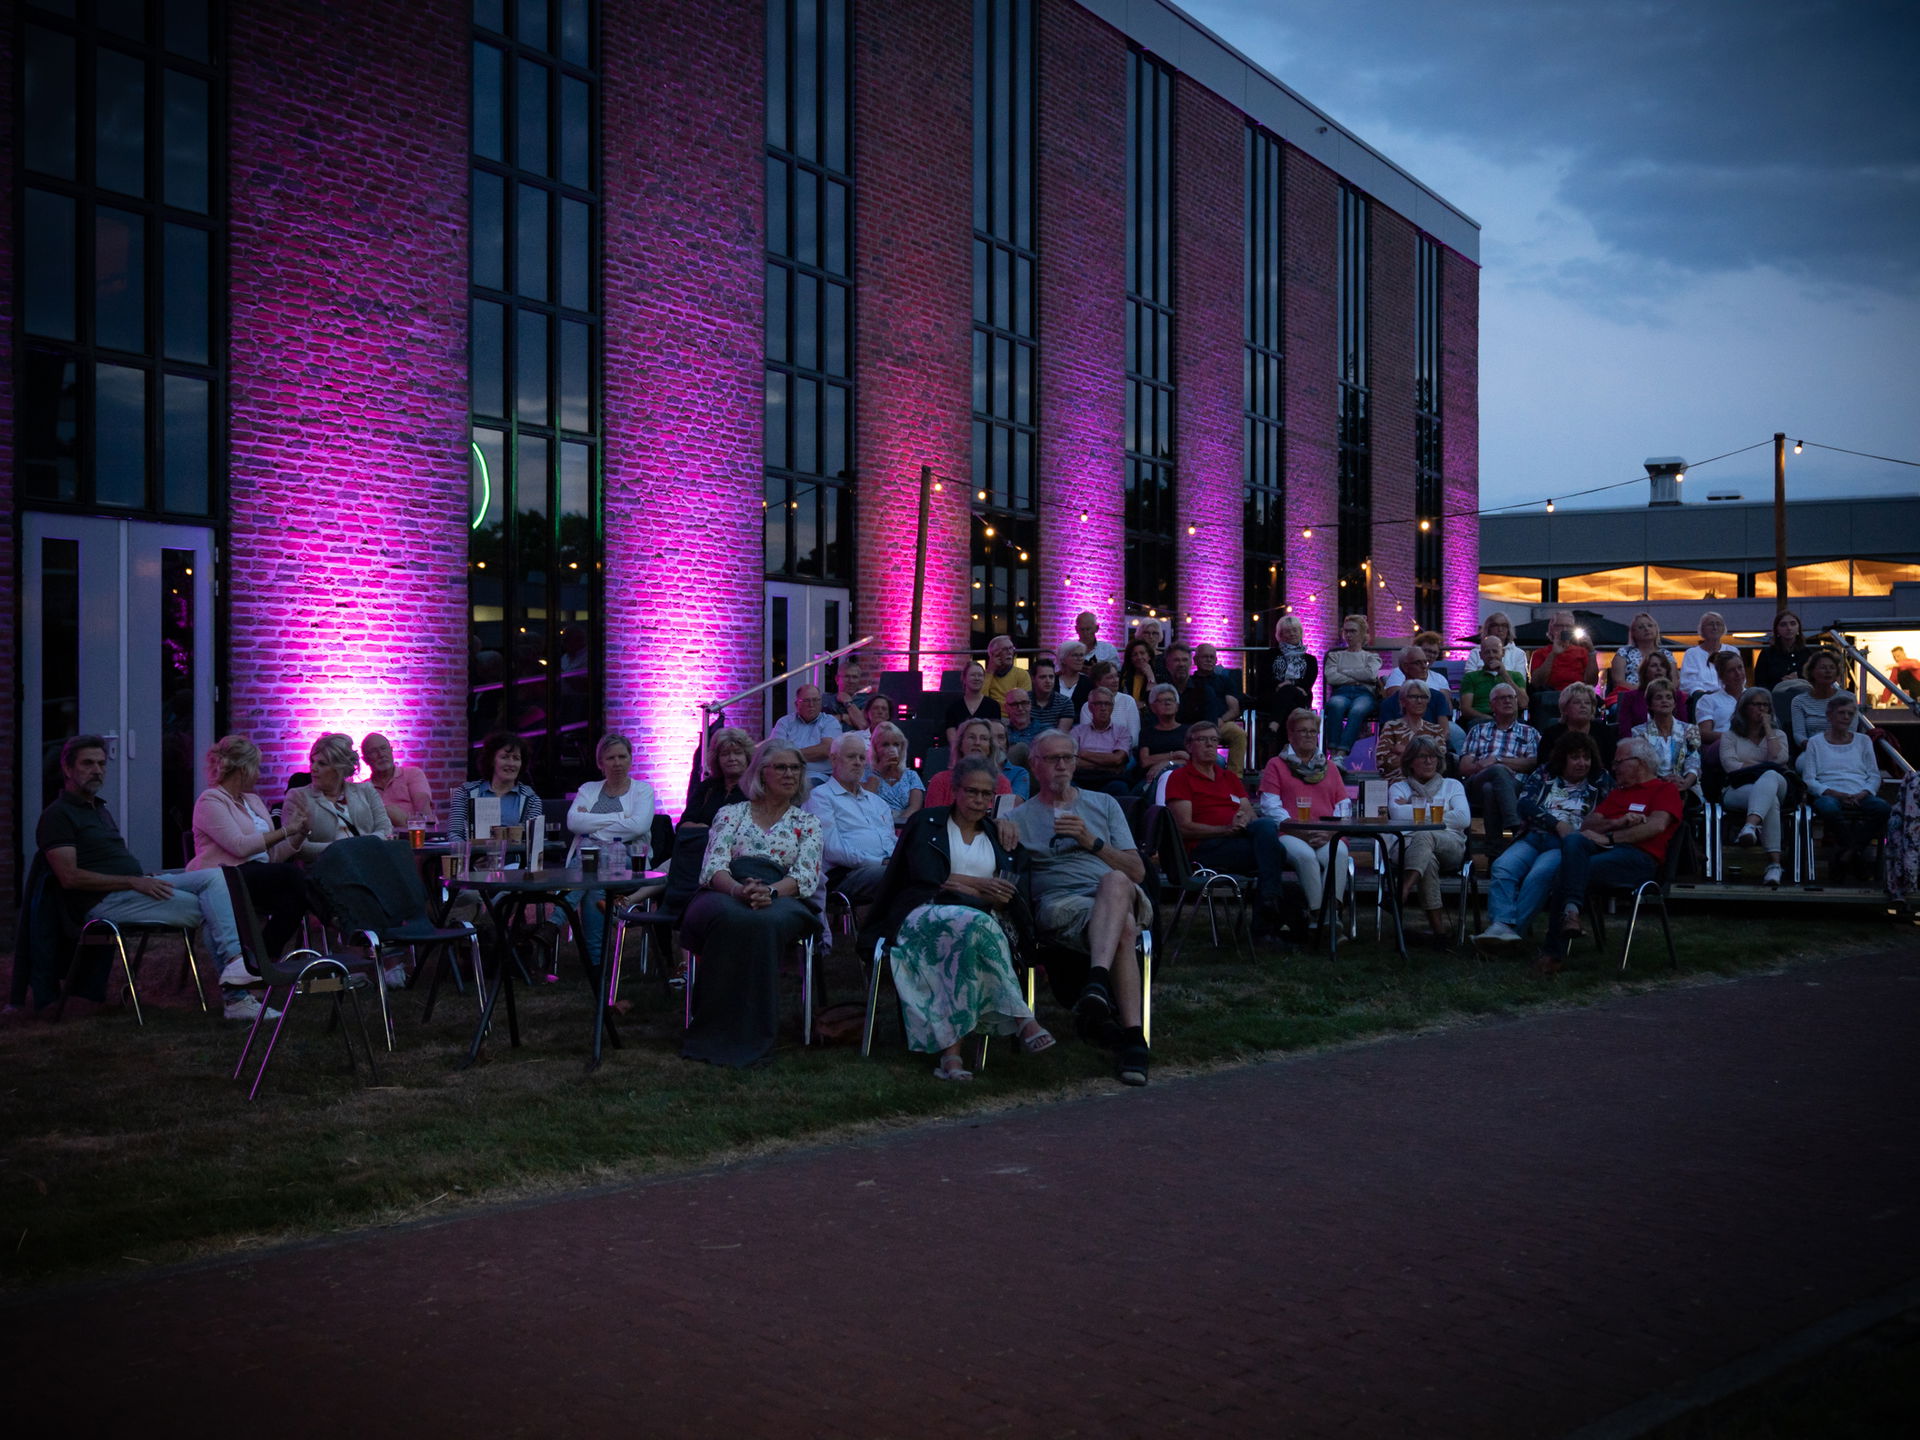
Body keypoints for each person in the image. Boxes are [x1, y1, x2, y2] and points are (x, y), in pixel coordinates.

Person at [38, 735, 271, 1022]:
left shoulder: (98, 810)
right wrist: (132, 882)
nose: (97, 770)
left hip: (134, 886)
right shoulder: (58, 815)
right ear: (67, 768)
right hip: (104, 901)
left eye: (101, 763)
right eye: (88, 763)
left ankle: (237, 972)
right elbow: (70, 878)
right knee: (214, 902)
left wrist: (140, 879)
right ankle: (237, 994)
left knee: (217, 878)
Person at [865, 755, 1051, 1080]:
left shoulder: (1000, 836)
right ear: (955, 790)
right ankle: (1022, 1016)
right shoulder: (927, 823)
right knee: (975, 924)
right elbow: (929, 880)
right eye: (971, 792)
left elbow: (1011, 889)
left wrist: (960, 883)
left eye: (985, 794)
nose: (978, 801)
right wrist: (980, 886)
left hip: (977, 925)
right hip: (921, 916)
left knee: (968, 937)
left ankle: (951, 1058)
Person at [1013, 730, 1154, 1086]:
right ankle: (1134, 1040)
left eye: (1068, 758)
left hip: (1114, 891)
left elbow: (1137, 871)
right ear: (1034, 765)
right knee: (1122, 924)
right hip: (1059, 904)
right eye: (1053, 759)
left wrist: (1091, 842)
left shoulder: (1104, 804)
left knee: (1117, 883)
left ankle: (1096, 982)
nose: (1062, 765)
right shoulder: (1019, 817)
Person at [680, 739, 824, 1066]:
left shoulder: (807, 823)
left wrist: (769, 892)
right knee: (730, 917)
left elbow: (805, 877)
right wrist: (737, 891)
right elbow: (713, 865)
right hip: (725, 887)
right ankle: (714, 1029)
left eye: (796, 768)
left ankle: (754, 1033)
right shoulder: (731, 813)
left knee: (763, 921)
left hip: (783, 892)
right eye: (782, 767)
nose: (790, 775)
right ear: (761, 773)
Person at [1533, 738, 1683, 975]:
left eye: (1619, 762)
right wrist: (1618, 822)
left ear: (1639, 763)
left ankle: (1554, 950)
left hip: (1639, 860)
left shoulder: (1665, 790)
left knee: (1568, 870)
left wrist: (1611, 837)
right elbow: (1587, 825)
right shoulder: (1617, 793)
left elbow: (1655, 827)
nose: (1614, 768)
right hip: (1604, 853)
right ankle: (1570, 915)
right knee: (1573, 840)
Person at [1474, 731, 1610, 953]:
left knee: (1539, 875)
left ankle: (1512, 931)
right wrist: (1556, 824)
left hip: (1564, 845)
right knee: (1503, 866)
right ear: (1563, 758)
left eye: (1586, 757)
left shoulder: (1600, 779)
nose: (1582, 763)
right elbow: (1525, 804)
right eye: (1575, 757)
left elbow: (1606, 811)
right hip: (1534, 837)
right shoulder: (1545, 773)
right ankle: (1501, 923)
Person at [187, 734, 312, 962]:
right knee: (296, 877)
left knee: (296, 898)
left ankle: (262, 959)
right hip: (226, 876)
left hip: (258, 874)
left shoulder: (253, 801)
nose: (259, 774)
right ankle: (334, 917)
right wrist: (286, 830)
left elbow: (272, 855)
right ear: (243, 769)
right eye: (257, 768)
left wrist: (299, 834)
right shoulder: (210, 801)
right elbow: (240, 847)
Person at [1167, 719, 1292, 937]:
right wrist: (1225, 830)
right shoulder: (1180, 778)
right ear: (1189, 746)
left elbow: (1249, 811)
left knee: (1264, 826)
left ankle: (1269, 906)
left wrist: (1244, 820)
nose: (1209, 745)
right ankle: (1267, 913)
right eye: (1202, 740)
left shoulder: (1229, 777)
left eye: (1214, 740)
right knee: (1277, 852)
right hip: (1203, 848)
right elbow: (1183, 828)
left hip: (1236, 840)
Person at [565, 732, 657, 969]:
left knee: (592, 867)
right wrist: (620, 818)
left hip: (631, 861)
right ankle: (597, 963)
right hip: (593, 863)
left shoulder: (642, 790)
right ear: (600, 763)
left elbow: (639, 826)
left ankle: (554, 921)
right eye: (610, 758)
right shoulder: (588, 788)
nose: (617, 763)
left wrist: (594, 829)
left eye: (622, 756)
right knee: (595, 885)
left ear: (630, 759)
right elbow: (574, 823)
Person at [1255, 708, 1353, 930]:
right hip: (1289, 832)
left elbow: (1343, 805)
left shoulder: (1329, 767)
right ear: (1290, 735)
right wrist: (1301, 830)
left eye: (1313, 731)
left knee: (1338, 853)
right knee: (1305, 856)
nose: (1309, 735)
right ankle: (1319, 917)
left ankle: (1330, 917)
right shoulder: (1276, 765)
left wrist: (1329, 831)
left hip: (1326, 832)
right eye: (1302, 731)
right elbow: (1270, 806)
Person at [1384, 736, 1470, 947]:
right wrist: (1442, 810)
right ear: (1410, 761)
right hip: (1408, 847)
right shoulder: (1399, 788)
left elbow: (1463, 818)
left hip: (1450, 844)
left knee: (1424, 833)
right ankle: (1440, 934)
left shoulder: (1452, 785)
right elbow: (1397, 814)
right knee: (1427, 857)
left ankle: (1402, 889)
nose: (1429, 761)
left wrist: (1414, 805)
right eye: (1422, 756)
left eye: (1433, 756)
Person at [1797, 695, 1890, 884]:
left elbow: (1873, 775)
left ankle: (1848, 852)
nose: (1846, 717)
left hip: (1859, 792)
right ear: (1829, 716)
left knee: (1883, 808)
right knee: (1829, 808)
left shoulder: (1863, 741)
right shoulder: (1815, 742)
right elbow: (1809, 779)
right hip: (1829, 791)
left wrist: (1863, 792)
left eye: (1850, 713)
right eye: (1841, 713)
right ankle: (1854, 854)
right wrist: (1835, 793)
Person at [805, 731, 899, 904]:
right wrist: (882, 863)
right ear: (833, 759)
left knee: (924, 873)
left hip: (883, 869)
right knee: (901, 876)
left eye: (862, 758)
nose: (858, 763)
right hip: (843, 875)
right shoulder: (820, 797)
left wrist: (897, 860)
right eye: (851, 757)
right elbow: (833, 851)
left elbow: (890, 841)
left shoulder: (878, 803)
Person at [1720, 687, 1793, 888]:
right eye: (1756, 704)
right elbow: (1730, 766)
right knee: (1771, 800)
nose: (1761, 709)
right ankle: (1774, 866)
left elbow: (1779, 759)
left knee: (1770, 776)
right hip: (1738, 788)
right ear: (1744, 708)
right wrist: (1764, 765)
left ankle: (1750, 826)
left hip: (1777, 784)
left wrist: (1769, 729)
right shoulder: (1730, 736)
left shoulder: (1779, 734)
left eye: (1765, 705)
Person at [285, 733, 395, 857]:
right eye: (313, 761)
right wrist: (344, 849)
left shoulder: (366, 790)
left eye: (322, 763)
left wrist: (364, 845)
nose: (313, 768)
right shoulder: (298, 797)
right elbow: (297, 846)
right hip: (327, 867)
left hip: (368, 861)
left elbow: (385, 829)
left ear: (339, 768)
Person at [1458, 684, 1540, 836]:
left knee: (1490, 788)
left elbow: (1532, 764)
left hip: (1517, 784)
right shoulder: (1478, 730)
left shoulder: (1530, 732)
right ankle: (1515, 824)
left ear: (1517, 702)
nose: (1508, 701)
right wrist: (1487, 767)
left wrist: (1497, 760)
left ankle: (1493, 851)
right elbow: (1464, 767)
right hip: (1477, 782)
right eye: (1502, 698)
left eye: (1511, 697)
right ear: (1492, 705)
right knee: (1496, 772)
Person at [447, 730, 542, 841]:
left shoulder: (531, 799)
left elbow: (533, 841)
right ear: (492, 761)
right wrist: (470, 856)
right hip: (471, 856)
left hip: (513, 857)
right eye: (505, 757)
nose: (511, 764)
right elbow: (454, 834)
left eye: (516, 758)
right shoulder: (465, 792)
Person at [1257, 614, 1318, 766]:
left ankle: (1273, 730)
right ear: (1280, 635)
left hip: (1300, 697)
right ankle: (1292, 756)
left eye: (1295, 631)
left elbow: (1307, 684)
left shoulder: (1310, 659)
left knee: (1289, 692)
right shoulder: (1270, 655)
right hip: (1272, 696)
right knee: (1288, 700)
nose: (1292, 634)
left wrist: (1286, 685)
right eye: (1287, 631)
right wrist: (1281, 686)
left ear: (1300, 633)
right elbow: (1264, 679)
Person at [1381, 643, 1463, 755]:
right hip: (1403, 757)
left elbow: (1445, 732)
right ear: (1405, 667)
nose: (1424, 666)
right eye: (1418, 663)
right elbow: (1388, 740)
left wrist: (1423, 751)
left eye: (1425, 662)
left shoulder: (1437, 697)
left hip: (1432, 754)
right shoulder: (1389, 703)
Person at [1181, 642, 1251, 773]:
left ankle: (1234, 778)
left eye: (1211, 657)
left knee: (1239, 734)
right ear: (1195, 660)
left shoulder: (1224, 681)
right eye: (1204, 657)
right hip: (1193, 724)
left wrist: (1220, 720)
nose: (1208, 660)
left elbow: (1234, 709)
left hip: (1220, 723)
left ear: (1216, 660)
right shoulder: (1188, 681)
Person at [1322, 613, 1382, 762]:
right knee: (1335, 705)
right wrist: (1357, 677)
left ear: (1362, 633)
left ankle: (1341, 753)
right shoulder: (1335, 655)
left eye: (1353, 631)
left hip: (1365, 693)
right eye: (1346, 631)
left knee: (1358, 710)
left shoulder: (1371, 657)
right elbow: (1331, 677)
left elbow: (1370, 675)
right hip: (1341, 692)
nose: (1348, 635)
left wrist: (1344, 672)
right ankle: (1334, 750)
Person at [1788, 650, 1870, 750]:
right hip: (1812, 749)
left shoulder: (1849, 698)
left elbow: (1851, 731)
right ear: (1812, 672)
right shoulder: (1799, 701)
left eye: (1832, 668)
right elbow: (1799, 735)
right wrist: (1816, 748)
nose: (1828, 671)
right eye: (1823, 667)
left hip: (1844, 748)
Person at [1632, 679, 1703, 795]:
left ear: (1674, 703)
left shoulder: (1690, 729)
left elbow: (1694, 761)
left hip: (1685, 789)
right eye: (1659, 697)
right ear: (1650, 704)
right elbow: (1642, 766)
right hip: (1652, 789)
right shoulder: (1638, 732)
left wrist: (1686, 782)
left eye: (1669, 697)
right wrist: (1664, 782)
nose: (1664, 701)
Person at [925, 718, 1015, 809]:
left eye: (983, 738)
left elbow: (1003, 820)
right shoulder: (940, 781)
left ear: (990, 747)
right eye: (971, 737)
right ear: (960, 745)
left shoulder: (1002, 783)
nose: (977, 743)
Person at [1528, 610, 1599, 722]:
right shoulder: (1540, 653)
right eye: (1559, 626)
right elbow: (1536, 683)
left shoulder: (1582, 652)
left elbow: (1592, 682)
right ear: (1551, 629)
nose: (1564, 630)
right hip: (1550, 698)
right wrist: (1553, 654)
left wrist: (1591, 652)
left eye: (1568, 626)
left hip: (1578, 695)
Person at [1374, 680, 1449, 782]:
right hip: (1398, 782)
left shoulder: (1435, 730)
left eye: (1424, 697)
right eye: (1413, 697)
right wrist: (1423, 756)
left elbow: (1439, 762)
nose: (1419, 701)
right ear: (1403, 701)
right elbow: (1383, 762)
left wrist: (1404, 752)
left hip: (1429, 782)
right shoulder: (1392, 727)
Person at [361, 731, 437, 830]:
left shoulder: (413, 774)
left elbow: (424, 812)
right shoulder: (363, 789)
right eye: (373, 751)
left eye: (384, 748)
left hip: (414, 838)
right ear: (365, 760)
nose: (381, 754)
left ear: (391, 751)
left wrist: (400, 819)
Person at [772, 684, 843, 787]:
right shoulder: (784, 723)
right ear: (796, 704)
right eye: (806, 701)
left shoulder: (830, 722)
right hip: (785, 774)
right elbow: (776, 752)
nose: (811, 705)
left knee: (805, 788)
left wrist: (789, 754)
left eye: (816, 700)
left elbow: (825, 750)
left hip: (818, 776)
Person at [1538, 680, 1617, 772]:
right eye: (1577, 702)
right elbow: (1544, 765)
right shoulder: (1551, 734)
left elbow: (1612, 764)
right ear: (1565, 708)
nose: (1583, 706)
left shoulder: (1604, 732)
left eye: (1587, 703)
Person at [685, 726, 753, 829]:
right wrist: (705, 829)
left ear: (747, 756)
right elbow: (684, 824)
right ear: (717, 759)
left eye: (738, 753)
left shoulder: (757, 787)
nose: (732, 758)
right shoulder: (707, 787)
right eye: (725, 754)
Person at [1614, 650, 1690, 737]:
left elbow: (1683, 726)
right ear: (1645, 671)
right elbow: (1625, 732)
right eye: (1654, 665)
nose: (1659, 669)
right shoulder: (1630, 697)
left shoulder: (1678, 695)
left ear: (1667, 671)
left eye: (1663, 666)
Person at [1458, 633, 1527, 728]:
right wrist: (1488, 719)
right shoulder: (1471, 677)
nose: (1491, 655)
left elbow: (1523, 703)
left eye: (1495, 651)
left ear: (1503, 653)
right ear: (1481, 655)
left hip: (1510, 719)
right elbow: (1466, 709)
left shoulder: (1515, 676)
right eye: (1487, 652)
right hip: (1480, 720)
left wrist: (1504, 675)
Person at [1069, 690, 1133, 792]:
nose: (1103, 708)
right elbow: (1071, 761)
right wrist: (1109, 766)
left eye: (1107, 704)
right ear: (1090, 707)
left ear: (1112, 708)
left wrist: (1083, 754)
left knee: (1120, 787)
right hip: (1082, 778)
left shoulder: (1122, 732)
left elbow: (1117, 760)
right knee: (1067, 786)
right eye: (1098, 703)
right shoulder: (1077, 731)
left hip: (1110, 779)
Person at [862, 721, 926, 822]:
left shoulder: (911, 776)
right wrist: (879, 769)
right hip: (874, 824)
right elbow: (863, 803)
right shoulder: (864, 773)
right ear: (875, 748)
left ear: (902, 747)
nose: (891, 749)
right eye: (885, 745)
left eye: (896, 744)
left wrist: (898, 825)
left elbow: (915, 808)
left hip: (904, 826)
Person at [1135, 683, 1191, 794]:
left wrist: (1165, 764)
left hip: (1182, 775)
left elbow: (1192, 760)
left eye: (1171, 700)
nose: (1167, 703)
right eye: (1162, 700)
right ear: (1153, 707)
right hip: (1151, 777)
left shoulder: (1188, 731)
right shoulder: (1147, 732)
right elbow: (1145, 761)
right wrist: (1175, 754)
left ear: (1177, 706)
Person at [1754, 609, 1816, 701]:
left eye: (1793, 624)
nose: (1789, 628)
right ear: (1777, 630)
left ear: (1798, 628)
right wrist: (1781, 683)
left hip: (1806, 700)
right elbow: (1760, 683)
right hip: (1775, 700)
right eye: (1783, 625)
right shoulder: (1767, 654)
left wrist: (1799, 678)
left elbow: (1816, 680)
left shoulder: (1809, 654)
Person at [1077, 660, 1140, 746]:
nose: (1116, 680)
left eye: (1116, 676)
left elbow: (1134, 737)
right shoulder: (1087, 706)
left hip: (1124, 752)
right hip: (1095, 752)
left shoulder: (1128, 701)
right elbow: (1086, 738)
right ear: (1098, 682)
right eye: (1110, 677)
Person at [1607, 612, 1670, 698]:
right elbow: (1618, 681)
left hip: (1662, 696)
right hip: (1629, 696)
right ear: (1633, 632)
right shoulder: (1624, 652)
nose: (1646, 629)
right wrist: (1644, 692)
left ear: (1656, 629)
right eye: (1641, 627)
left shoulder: (1666, 654)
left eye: (1650, 626)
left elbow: (1674, 681)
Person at [942, 661, 1001, 749]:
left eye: (980, 675)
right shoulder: (953, 708)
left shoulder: (993, 706)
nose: (977, 678)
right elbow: (953, 738)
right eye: (973, 675)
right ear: (964, 679)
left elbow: (994, 735)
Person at [1692, 650, 1748, 741]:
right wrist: (1734, 737)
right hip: (1721, 746)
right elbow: (1704, 733)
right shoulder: (1708, 700)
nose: (1738, 673)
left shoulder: (1755, 697)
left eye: (1740, 668)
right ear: (1721, 676)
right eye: (1731, 671)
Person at [1678, 611, 1735, 699]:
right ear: (1702, 629)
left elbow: (1739, 677)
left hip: (1729, 697)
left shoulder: (1732, 651)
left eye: (1718, 624)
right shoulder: (1692, 653)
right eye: (1710, 624)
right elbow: (1687, 683)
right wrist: (1704, 696)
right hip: (1701, 699)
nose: (1715, 627)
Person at [1027, 654, 1076, 735]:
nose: (1048, 681)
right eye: (1043, 677)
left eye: (1051, 677)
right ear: (1033, 679)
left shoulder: (1065, 703)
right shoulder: (1024, 700)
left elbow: (1061, 735)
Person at [1000, 689, 1050, 768]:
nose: (1020, 708)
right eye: (1014, 704)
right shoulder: (1001, 732)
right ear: (1006, 708)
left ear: (1030, 705)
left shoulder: (1045, 732)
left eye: (1024, 703)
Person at [988, 720, 1031, 800]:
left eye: (1001, 737)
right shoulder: (972, 770)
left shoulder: (1019, 773)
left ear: (1007, 744)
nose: (996, 743)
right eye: (990, 738)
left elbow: (1012, 805)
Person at [982, 634, 1030, 706]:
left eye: (1011, 648)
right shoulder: (984, 675)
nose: (1009, 652)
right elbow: (981, 700)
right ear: (993, 655)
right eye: (1004, 649)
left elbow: (1024, 704)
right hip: (992, 715)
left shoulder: (1022, 674)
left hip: (1014, 715)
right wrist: (990, 671)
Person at [1481, 611, 1530, 678]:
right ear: (1488, 628)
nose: (1500, 629)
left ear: (1508, 629)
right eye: (1496, 625)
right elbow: (1470, 679)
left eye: (1504, 626)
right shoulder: (1475, 652)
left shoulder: (1519, 654)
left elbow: (1521, 681)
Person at [1119, 638, 1159, 704]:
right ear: (1131, 658)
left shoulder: (1158, 675)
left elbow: (1154, 701)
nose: (1139, 657)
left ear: (1149, 656)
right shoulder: (1125, 676)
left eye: (1142, 653)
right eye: (1135, 654)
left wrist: (1150, 677)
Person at [1055, 641, 1092, 711]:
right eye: (1075, 655)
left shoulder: (1088, 683)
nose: (1079, 659)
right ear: (1063, 660)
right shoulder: (1052, 681)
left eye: (1081, 655)